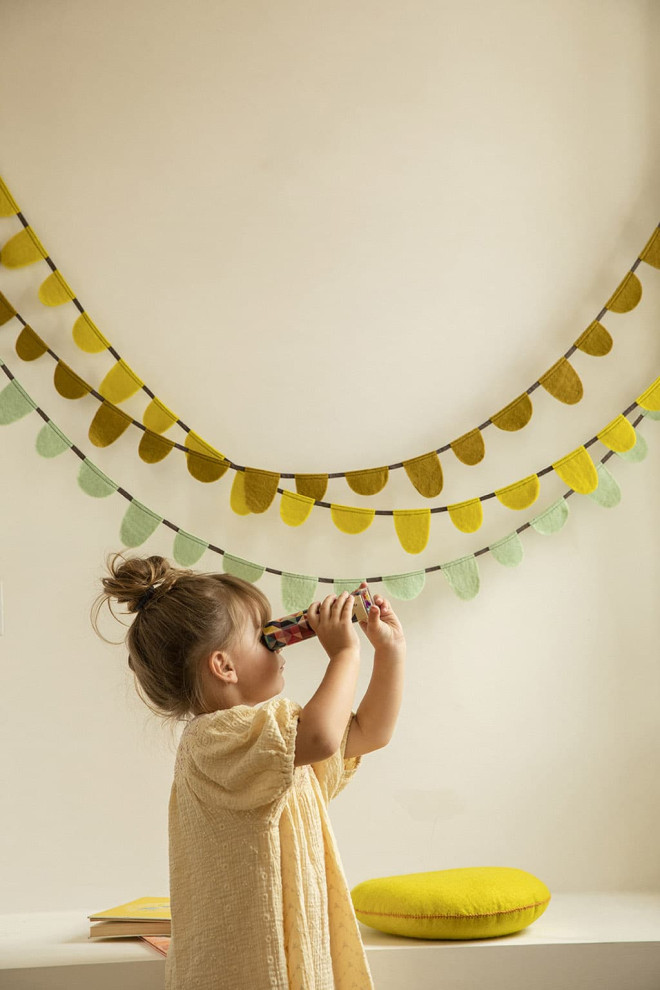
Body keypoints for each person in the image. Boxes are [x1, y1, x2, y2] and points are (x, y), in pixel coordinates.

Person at [94, 552, 406, 990]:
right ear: (224, 666)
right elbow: (321, 737)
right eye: (264, 636)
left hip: (295, 948)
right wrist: (344, 654)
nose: (277, 642)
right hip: (244, 964)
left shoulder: (276, 741)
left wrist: (389, 652)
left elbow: (369, 732)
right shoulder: (214, 739)